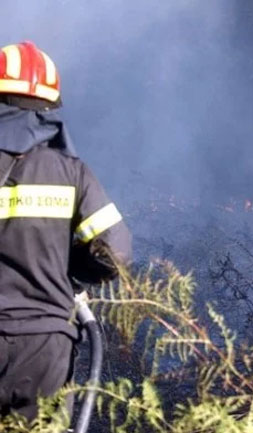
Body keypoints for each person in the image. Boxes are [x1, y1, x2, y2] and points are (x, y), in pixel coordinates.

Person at [0, 41, 132, 422]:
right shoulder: (72, 172)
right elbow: (116, 252)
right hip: (45, 347)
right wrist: (69, 267)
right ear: (47, 107)